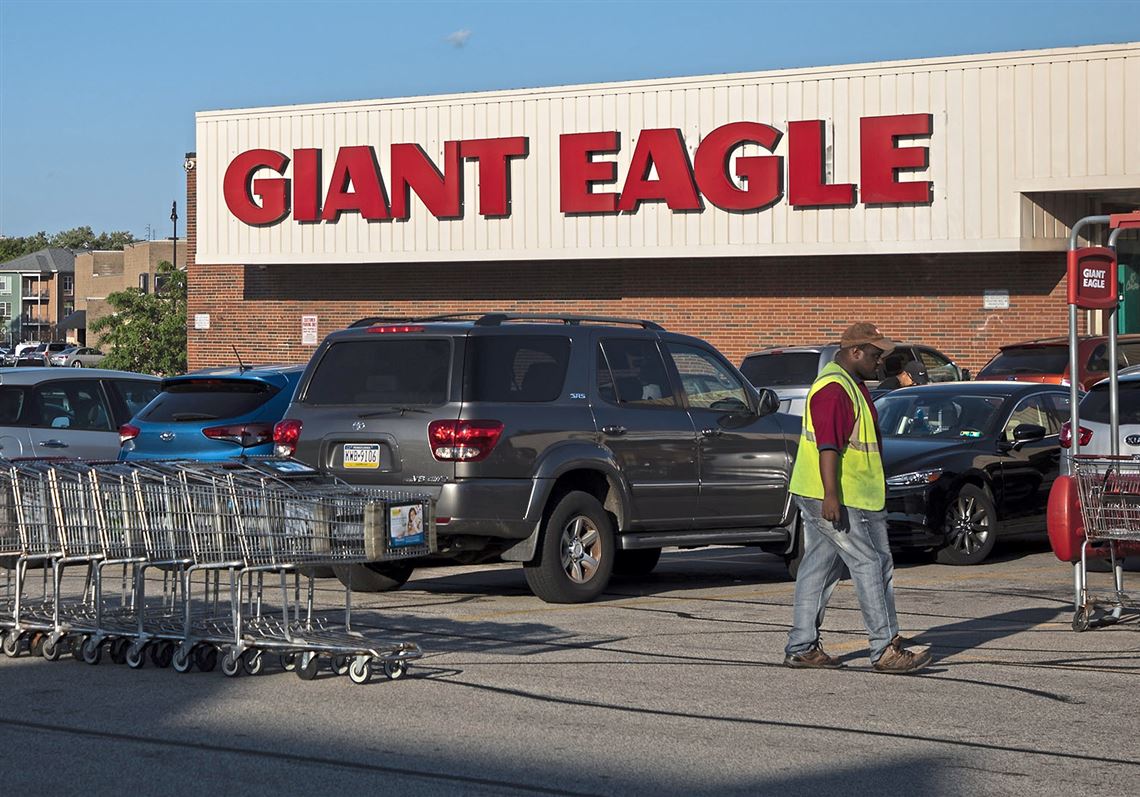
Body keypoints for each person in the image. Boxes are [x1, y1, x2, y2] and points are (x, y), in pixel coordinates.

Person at [784, 322, 932, 673]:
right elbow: (828, 447)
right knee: (872, 563)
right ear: (855, 352)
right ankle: (885, 649)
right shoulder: (834, 390)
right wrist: (831, 496)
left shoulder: (850, 384)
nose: (881, 362)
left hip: (836, 492)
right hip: (841, 495)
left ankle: (801, 646)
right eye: (876, 355)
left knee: (820, 566)